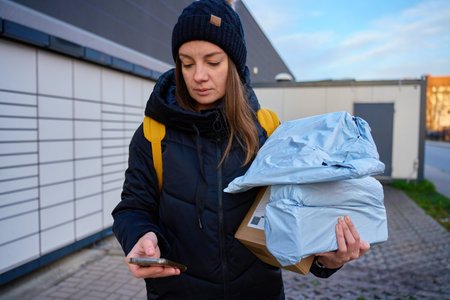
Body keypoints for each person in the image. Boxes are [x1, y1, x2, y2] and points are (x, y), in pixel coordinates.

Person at [112, 0, 370, 299]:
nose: (198, 76)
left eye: (212, 62)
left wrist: (326, 260)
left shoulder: (269, 130)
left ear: (233, 63)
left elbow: (298, 212)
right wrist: (141, 236)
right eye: (186, 63)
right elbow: (133, 207)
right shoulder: (153, 133)